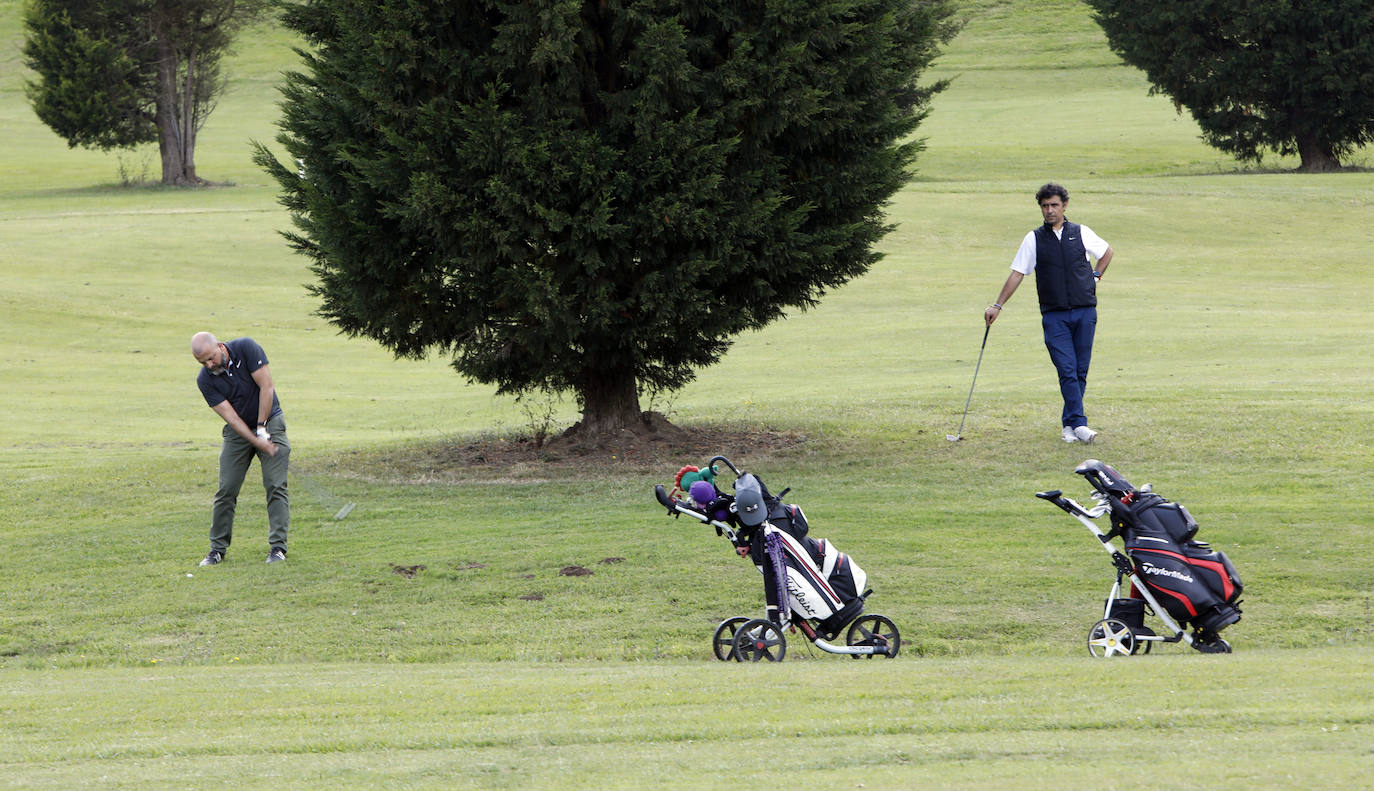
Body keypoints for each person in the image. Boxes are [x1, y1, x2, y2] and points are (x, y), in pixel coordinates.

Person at [984, 183, 1114, 443]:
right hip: (1054, 315)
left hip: (1085, 311)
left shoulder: (1081, 232)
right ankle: (1080, 425)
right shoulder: (1033, 239)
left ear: (1064, 206)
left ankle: (1069, 426)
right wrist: (997, 305)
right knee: (1066, 369)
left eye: (1054, 205)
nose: (1049, 210)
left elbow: (1107, 252)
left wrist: (1096, 276)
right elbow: (1018, 273)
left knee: (1079, 371)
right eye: (1045, 206)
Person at [191, 332, 290, 565]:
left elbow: (267, 387)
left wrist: (262, 428)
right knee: (226, 489)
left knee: (275, 485)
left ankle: (278, 548)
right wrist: (256, 440)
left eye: (211, 358)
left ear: (220, 346)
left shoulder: (246, 348)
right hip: (238, 433)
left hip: (270, 421)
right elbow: (232, 418)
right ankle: (217, 549)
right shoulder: (205, 380)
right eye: (203, 362)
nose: (209, 365)